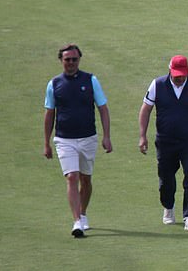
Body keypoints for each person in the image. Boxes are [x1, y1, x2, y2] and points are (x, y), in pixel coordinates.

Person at [43, 44, 113, 238]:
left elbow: (103, 108)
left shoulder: (91, 80)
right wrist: (46, 143)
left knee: (86, 179)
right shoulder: (54, 84)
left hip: (88, 138)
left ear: (79, 60)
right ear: (61, 61)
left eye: (74, 59)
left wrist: (106, 136)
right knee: (71, 177)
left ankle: (82, 214)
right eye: (67, 60)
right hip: (64, 139)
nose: (71, 63)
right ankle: (76, 222)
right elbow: (49, 113)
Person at [138, 55, 188, 231]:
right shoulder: (157, 85)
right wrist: (142, 136)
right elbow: (146, 110)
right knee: (166, 179)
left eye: (183, 75)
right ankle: (168, 206)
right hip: (165, 142)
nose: (180, 78)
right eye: (177, 75)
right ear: (170, 71)